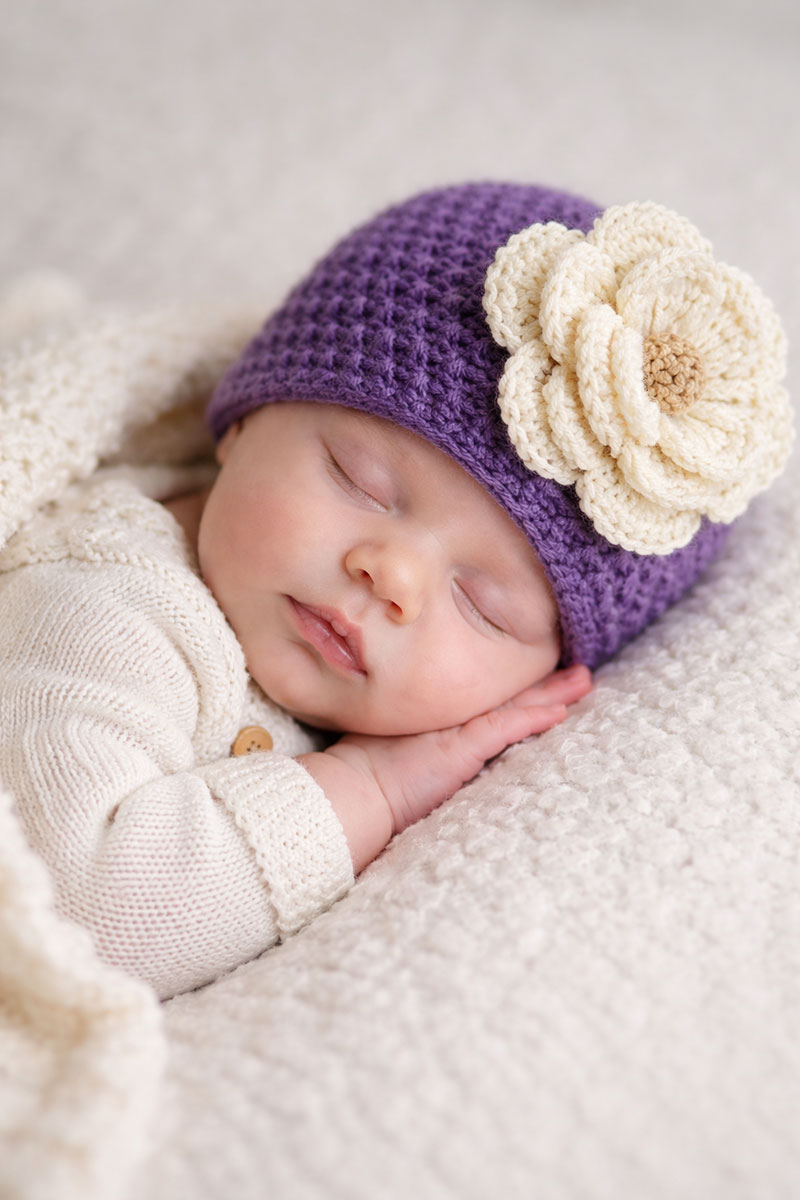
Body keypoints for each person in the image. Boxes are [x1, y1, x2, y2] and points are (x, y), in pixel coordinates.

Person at [0, 183, 790, 999]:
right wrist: (370, 788)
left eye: (484, 605)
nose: (395, 577)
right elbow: (74, 915)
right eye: (361, 481)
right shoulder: (102, 602)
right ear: (241, 420)